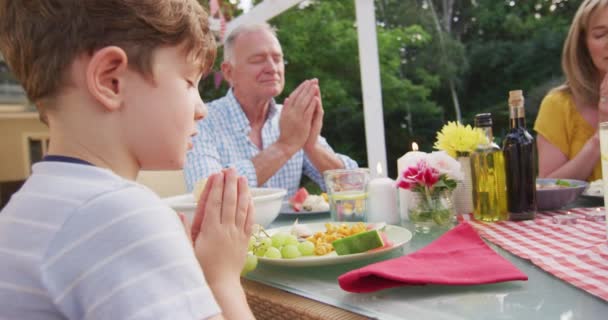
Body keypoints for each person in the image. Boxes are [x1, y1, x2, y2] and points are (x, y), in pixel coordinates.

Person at [0, 1, 255, 319]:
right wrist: (221, 277)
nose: (202, 109)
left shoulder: (23, 210)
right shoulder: (120, 216)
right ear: (111, 80)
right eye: (189, 82)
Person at [184, 23, 357, 196]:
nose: (272, 68)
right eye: (258, 60)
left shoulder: (292, 118)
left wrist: (311, 146)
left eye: (277, 58)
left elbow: (355, 187)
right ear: (229, 72)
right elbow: (206, 194)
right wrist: (284, 146)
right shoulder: (202, 120)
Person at [535, 0, 608, 182]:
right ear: (583, 45)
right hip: (579, 211)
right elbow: (548, 188)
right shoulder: (557, 105)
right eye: (600, 35)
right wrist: (600, 137)